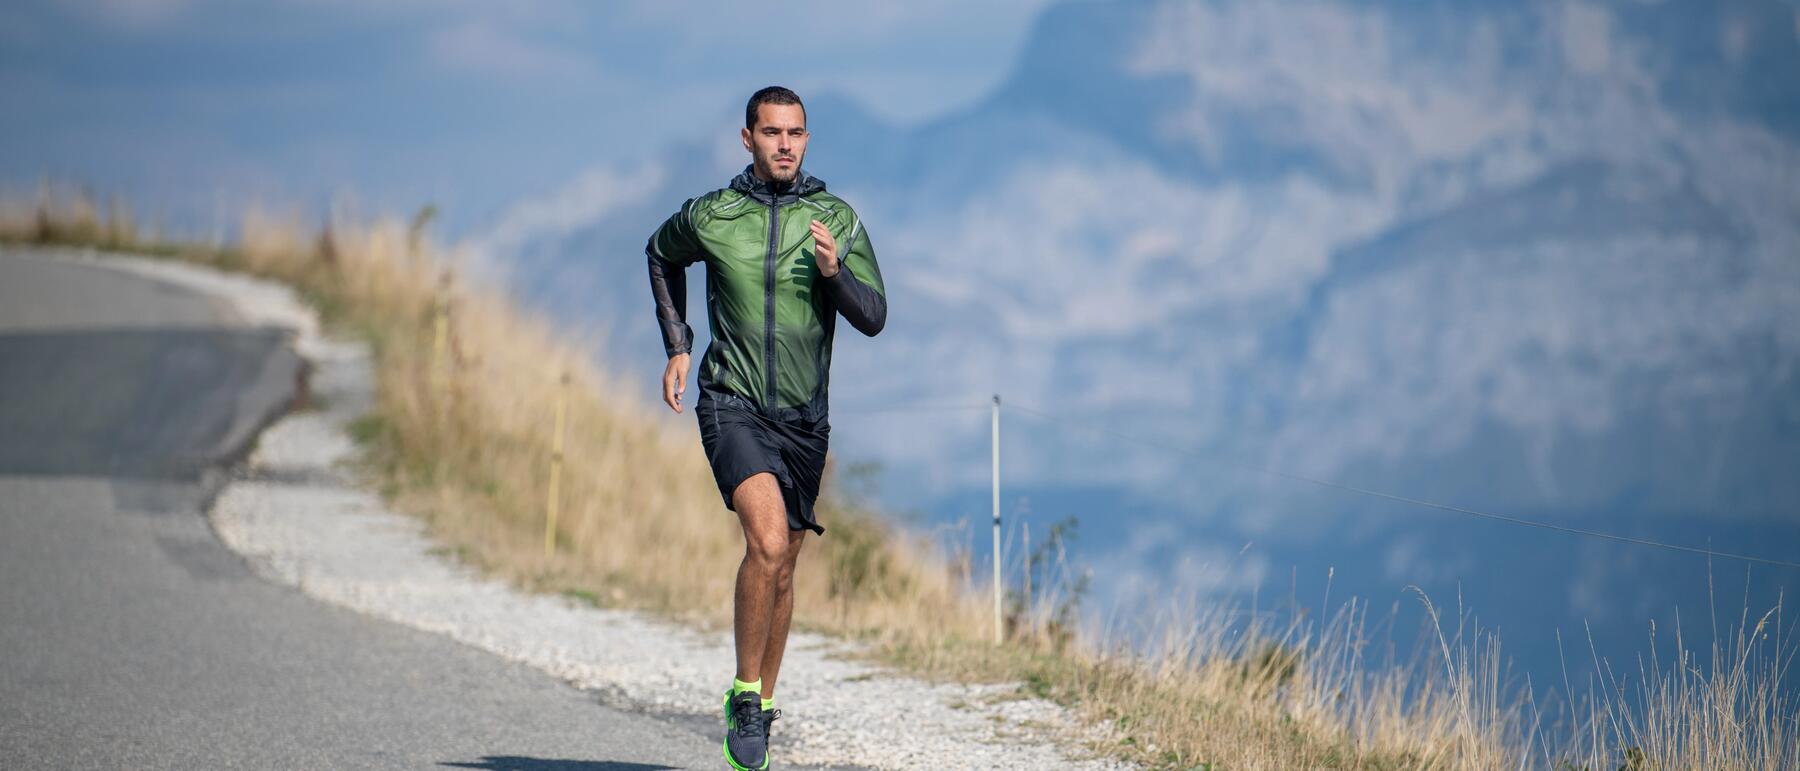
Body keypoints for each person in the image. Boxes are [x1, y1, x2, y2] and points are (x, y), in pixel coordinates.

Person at [644, 85, 887, 771]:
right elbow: (660, 254)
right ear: (746, 138)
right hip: (732, 401)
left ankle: (762, 707)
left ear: (807, 140)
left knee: (783, 570)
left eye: (796, 132)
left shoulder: (835, 218)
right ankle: (745, 694)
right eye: (772, 132)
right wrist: (679, 344)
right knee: (768, 540)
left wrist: (835, 275)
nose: (785, 143)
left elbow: (874, 315)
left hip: (806, 420)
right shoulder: (713, 215)